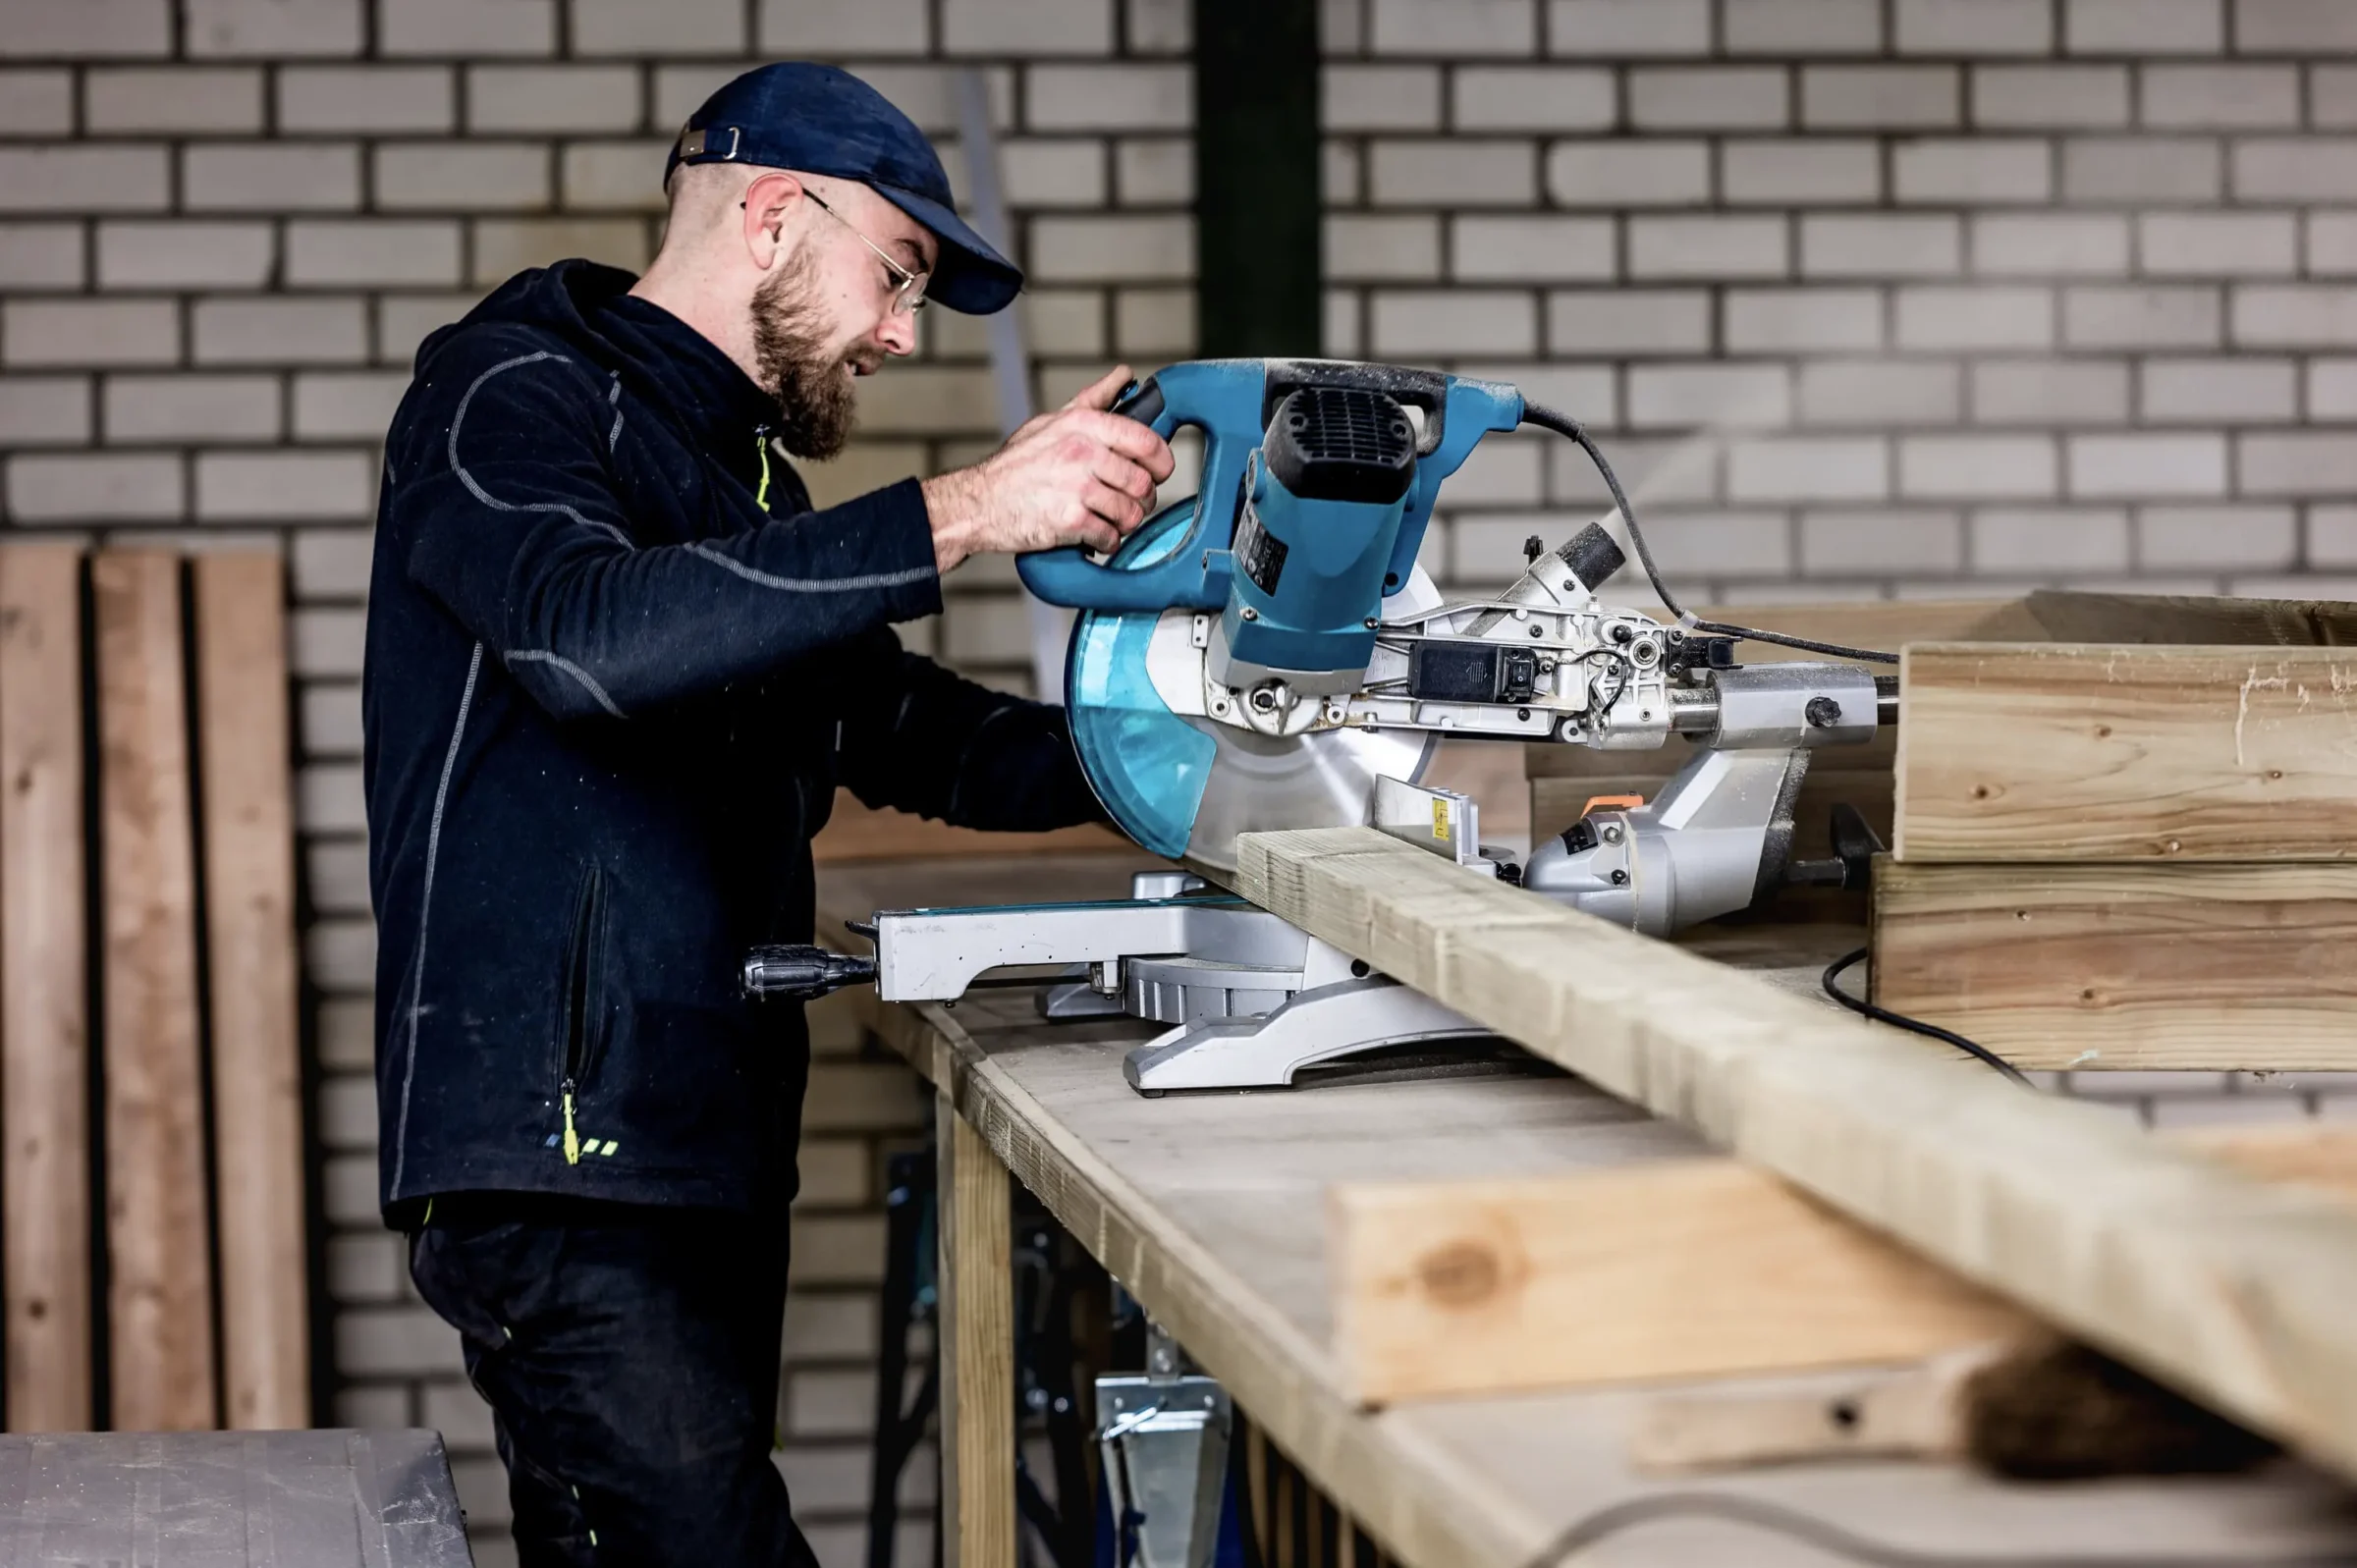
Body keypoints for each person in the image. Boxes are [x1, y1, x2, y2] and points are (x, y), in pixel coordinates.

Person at [361, 61, 1174, 1567]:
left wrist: (1196, 760)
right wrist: (977, 508)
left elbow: (899, 727)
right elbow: (584, 640)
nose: (896, 332)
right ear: (778, 216)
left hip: (700, 1145)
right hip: (559, 1157)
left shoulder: (747, 490)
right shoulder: (509, 390)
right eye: (897, 274)